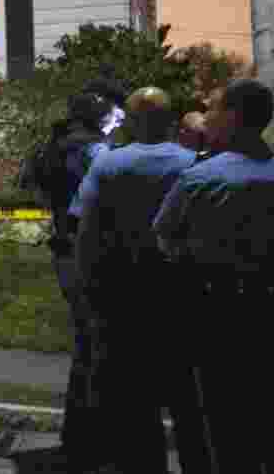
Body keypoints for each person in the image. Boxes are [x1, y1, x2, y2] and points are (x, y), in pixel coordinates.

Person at [154, 79, 274, 471]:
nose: (206, 117)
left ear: (231, 116)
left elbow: (165, 239)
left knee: (226, 420)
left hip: (221, 312)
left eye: (212, 109)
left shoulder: (201, 178)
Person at [70, 87, 211, 473]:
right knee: (189, 405)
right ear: (170, 122)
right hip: (184, 301)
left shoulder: (110, 166)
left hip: (123, 303)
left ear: (130, 122)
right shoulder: (196, 164)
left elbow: (87, 235)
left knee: (136, 408)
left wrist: (86, 292)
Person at [33, 91, 112, 471]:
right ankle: (89, 444)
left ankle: (78, 439)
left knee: (87, 344)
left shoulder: (54, 146)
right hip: (87, 251)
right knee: (97, 347)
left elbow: (35, 188)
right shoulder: (95, 152)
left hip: (63, 248)